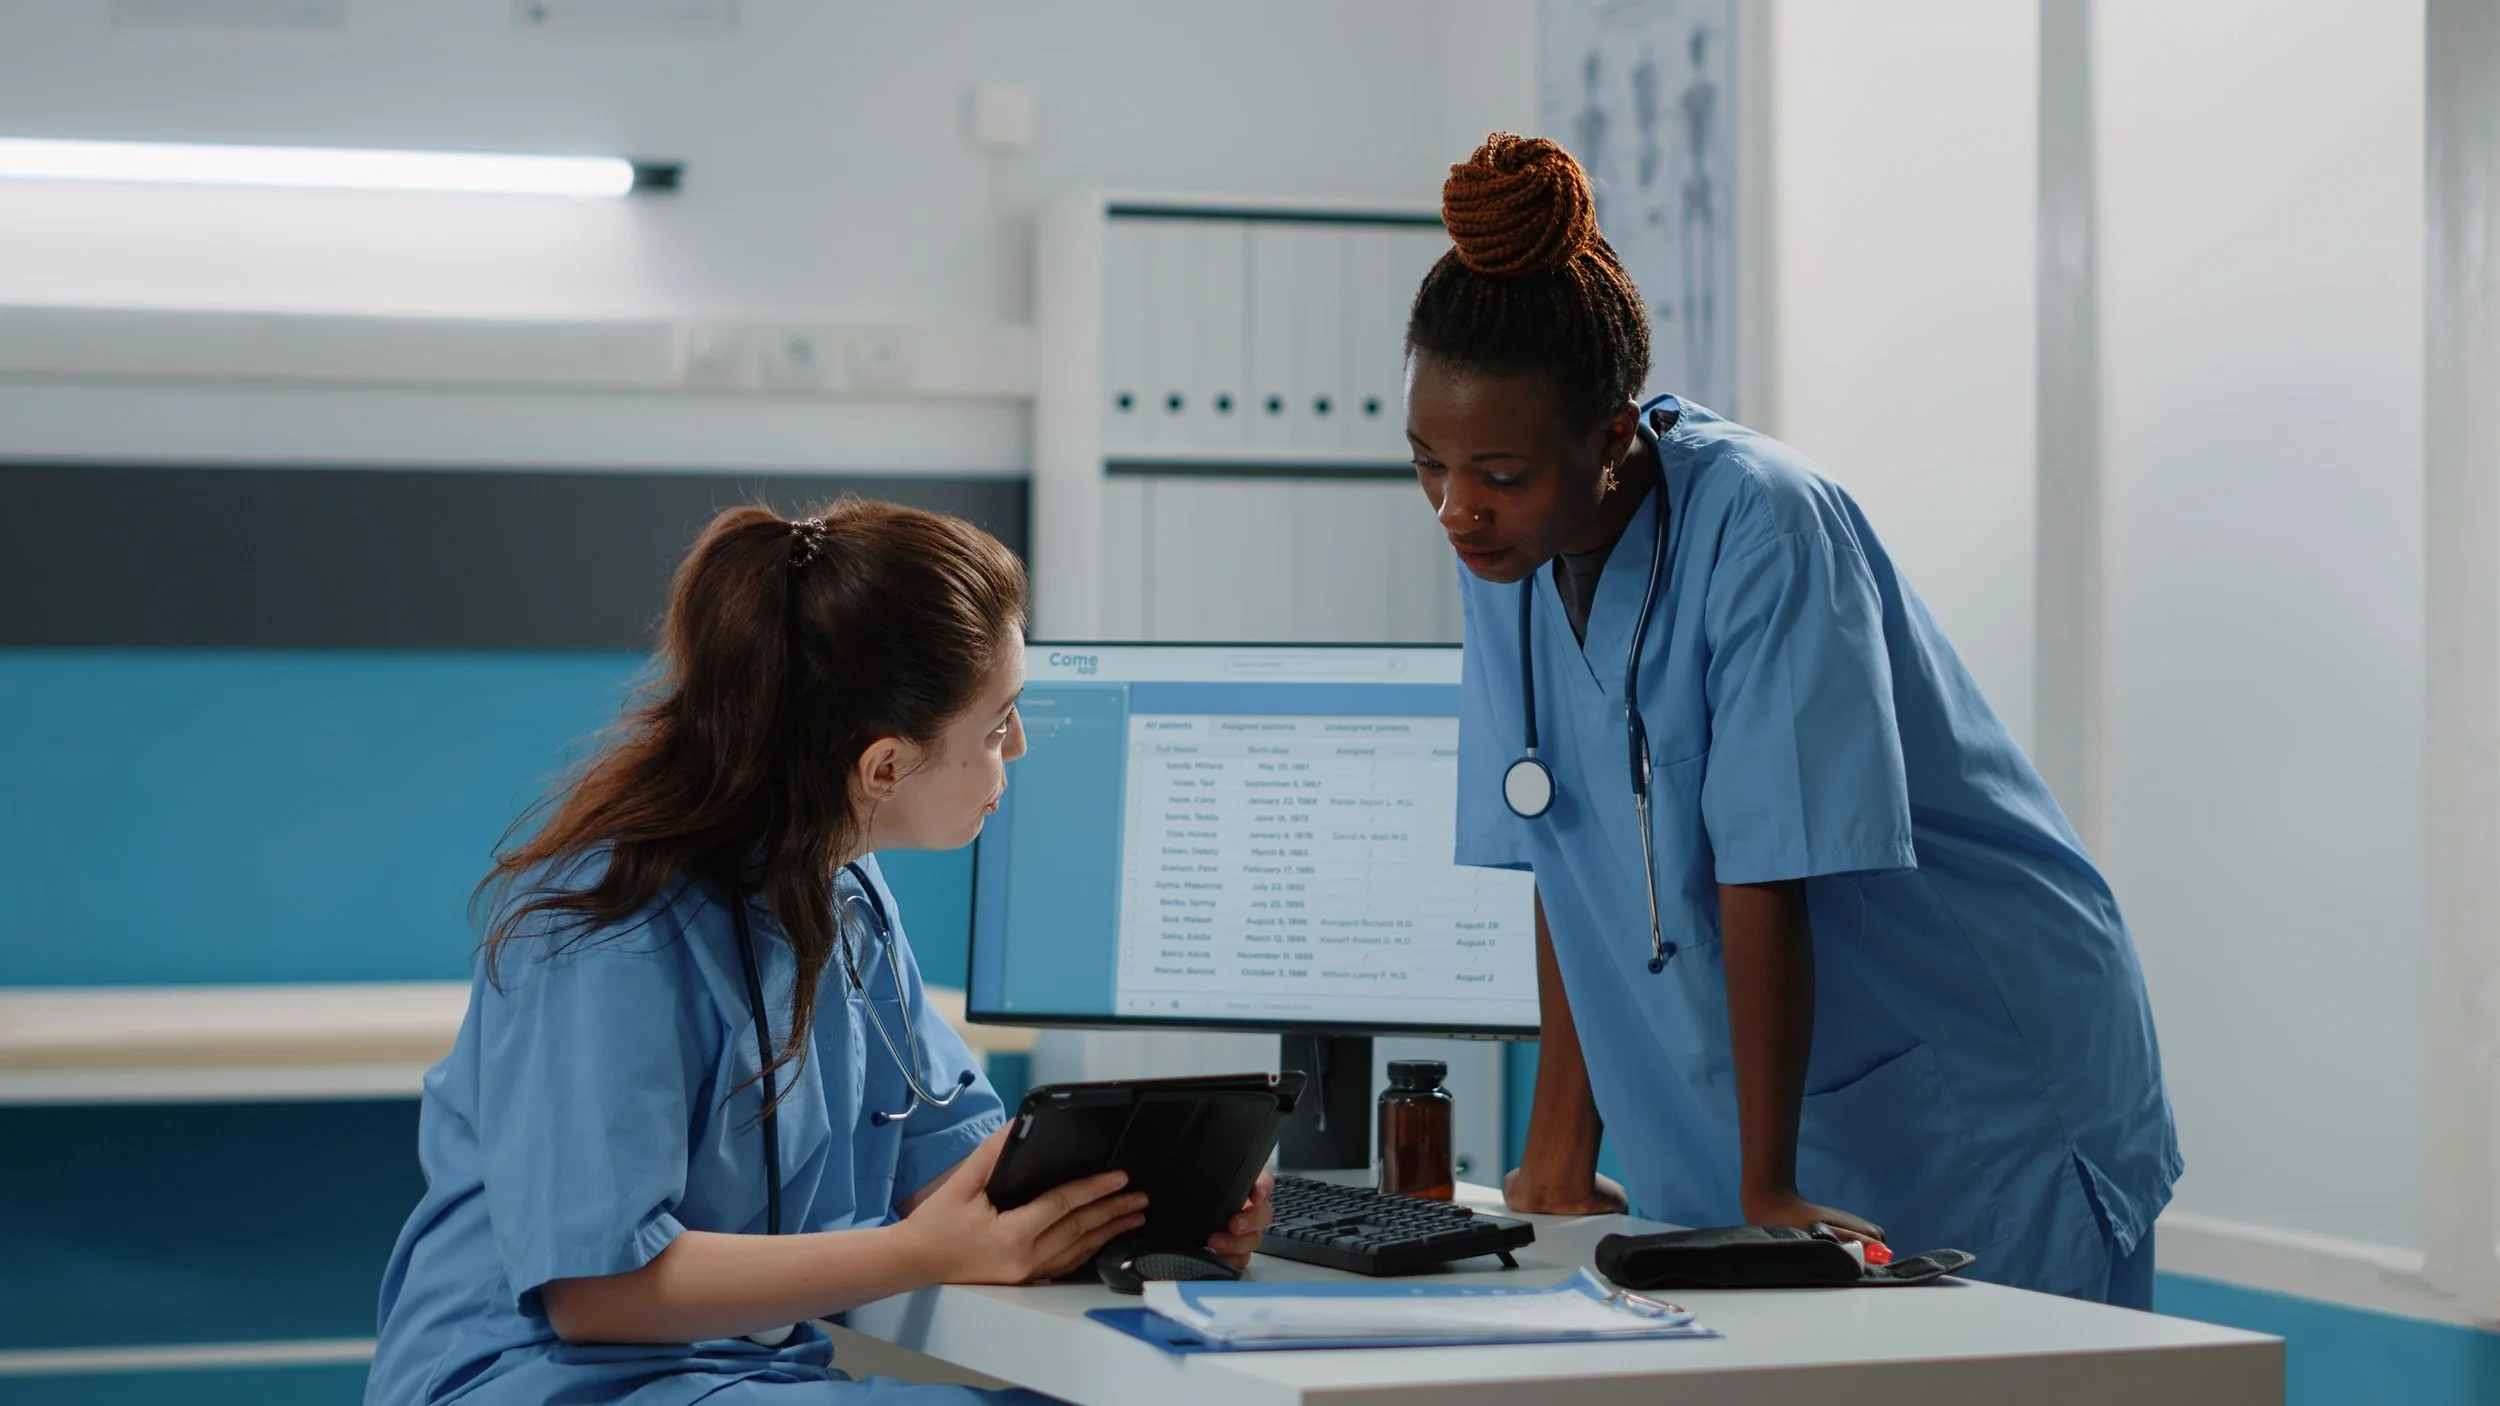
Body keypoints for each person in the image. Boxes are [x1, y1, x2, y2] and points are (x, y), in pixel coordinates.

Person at [1410, 134, 2178, 1306]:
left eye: (1496, 473)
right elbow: (1560, 846)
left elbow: (1773, 862)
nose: (1457, 507)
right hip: (1762, 1086)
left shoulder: (1767, 527)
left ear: (1611, 438)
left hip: (1968, 1056)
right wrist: (1557, 1149)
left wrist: (1768, 1184)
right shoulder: (1506, 541)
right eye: (1428, 464)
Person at [366, 501, 1273, 1404]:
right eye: (999, 725)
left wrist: (1153, 1211)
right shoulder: (606, 933)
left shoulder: (847, 898)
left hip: (742, 1373)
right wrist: (919, 1253)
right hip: (546, 1383)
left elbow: (952, 1179)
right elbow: (594, 1292)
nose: (1020, 747)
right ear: (883, 767)